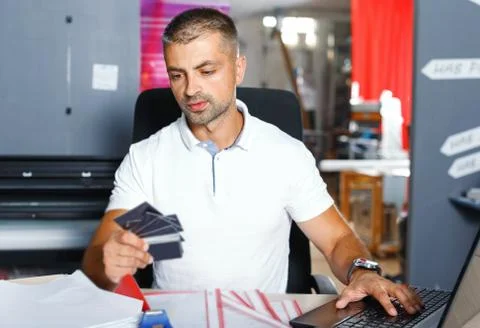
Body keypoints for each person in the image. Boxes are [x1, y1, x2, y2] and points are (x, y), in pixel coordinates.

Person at [82, 7, 423, 316]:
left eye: (207, 70)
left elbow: (335, 242)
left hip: (264, 318)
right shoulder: (147, 158)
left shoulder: (285, 154)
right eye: (177, 75)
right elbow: (98, 258)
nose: (190, 90)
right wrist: (107, 262)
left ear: (239, 68)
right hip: (174, 319)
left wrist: (363, 271)